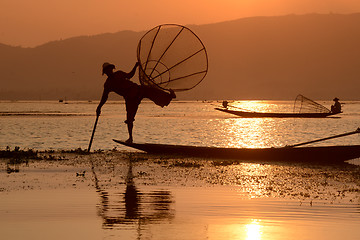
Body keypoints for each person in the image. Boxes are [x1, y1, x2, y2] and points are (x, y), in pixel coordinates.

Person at [96, 62, 176, 143]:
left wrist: (135, 66)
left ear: (112, 69)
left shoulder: (119, 73)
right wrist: (99, 107)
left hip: (137, 90)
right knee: (129, 119)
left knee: (152, 91)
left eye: (110, 69)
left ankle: (169, 96)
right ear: (105, 72)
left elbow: (130, 75)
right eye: (107, 71)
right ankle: (130, 138)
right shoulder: (108, 84)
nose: (109, 71)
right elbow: (104, 97)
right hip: (130, 98)